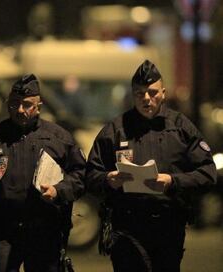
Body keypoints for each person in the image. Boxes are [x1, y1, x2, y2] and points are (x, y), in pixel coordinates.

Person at [85, 59, 217, 272]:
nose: (146, 98)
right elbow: (90, 175)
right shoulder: (115, 130)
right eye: (139, 93)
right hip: (127, 226)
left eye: (153, 93)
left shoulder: (181, 128)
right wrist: (108, 179)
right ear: (132, 95)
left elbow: (208, 173)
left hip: (168, 225)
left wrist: (172, 181)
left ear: (163, 93)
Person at [0, 74, 86, 272]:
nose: (20, 110)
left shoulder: (59, 139)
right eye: (14, 104)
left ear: (39, 106)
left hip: (45, 231)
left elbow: (80, 175)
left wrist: (59, 190)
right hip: (4, 231)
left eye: (27, 105)